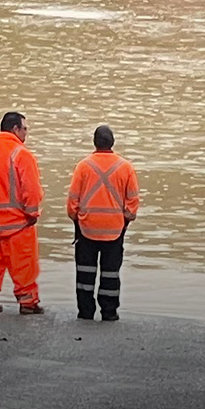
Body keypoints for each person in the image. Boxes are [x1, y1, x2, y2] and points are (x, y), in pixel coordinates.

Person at [67, 125, 140, 321]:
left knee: (85, 274)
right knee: (110, 274)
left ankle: (85, 312)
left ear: (94, 142)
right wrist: (125, 220)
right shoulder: (126, 167)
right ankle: (109, 312)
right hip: (115, 230)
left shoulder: (83, 166)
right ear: (113, 142)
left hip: (86, 228)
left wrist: (76, 219)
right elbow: (132, 203)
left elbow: (72, 202)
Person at [0, 111, 44, 315]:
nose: (26, 134)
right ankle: (28, 302)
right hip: (16, 221)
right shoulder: (22, 154)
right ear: (15, 129)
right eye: (25, 129)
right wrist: (33, 214)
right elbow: (30, 188)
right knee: (23, 263)